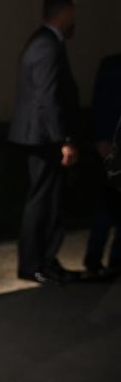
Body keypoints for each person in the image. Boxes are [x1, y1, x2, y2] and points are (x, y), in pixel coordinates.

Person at [9, 0, 81, 284]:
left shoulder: (47, 42)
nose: (75, 19)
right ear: (64, 12)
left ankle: (46, 260)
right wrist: (64, 140)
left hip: (42, 135)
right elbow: (48, 96)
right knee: (42, 200)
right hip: (43, 137)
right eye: (73, 12)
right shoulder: (46, 44)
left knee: (50, 200)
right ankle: (33, 263)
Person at [83, 53, 121, 280]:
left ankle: (115, 261)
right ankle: (94, 259)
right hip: (113, 147)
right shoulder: (112, 67)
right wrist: (102, 143)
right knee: (107, 204)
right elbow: (102, 106)